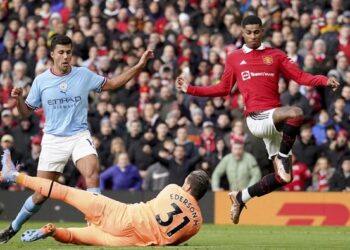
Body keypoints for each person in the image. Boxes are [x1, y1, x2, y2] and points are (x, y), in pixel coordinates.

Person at [175, 15, 340, 224]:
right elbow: (223, 88)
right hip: (256, 119)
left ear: (262, 31)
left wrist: (324, 80)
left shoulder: (276, 55)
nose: (253, 36)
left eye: (256, 32)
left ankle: (241, 197)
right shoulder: (234, 57)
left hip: (275, 121)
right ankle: (282, 155)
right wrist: (190, 89)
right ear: (242, 33)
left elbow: (300, 77)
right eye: (248, 32)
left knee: (284, 178)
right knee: (296, 113)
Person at [0, 34, 153, 243]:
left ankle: (96, 227)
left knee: (92, 172)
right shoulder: (41, 81)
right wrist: (18, 101)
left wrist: (139, 65)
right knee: (41, 194)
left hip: (79, 135)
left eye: (69, 52)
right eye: (61, 52)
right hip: (53, 140)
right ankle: (13, 228)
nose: (65, 57)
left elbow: (114, 83)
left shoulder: (83, 74)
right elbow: (25, 113)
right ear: (52, 54)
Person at [0, 150, 209, 247]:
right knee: (77, 238)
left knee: (63, 191)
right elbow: (172, 242)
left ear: (188, 185)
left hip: (122, 215)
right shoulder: (197, 224)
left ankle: (13, 175)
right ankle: (53, 232)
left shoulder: (173, 189)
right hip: (131, 241)